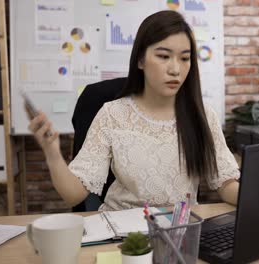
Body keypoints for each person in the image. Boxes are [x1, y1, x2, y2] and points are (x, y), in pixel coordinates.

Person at [28, 10, 240, 211]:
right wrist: (52, 152)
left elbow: (226, 183)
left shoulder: (202, 115)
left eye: (184, 58)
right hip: (122, 236)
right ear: (140, 60)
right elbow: (73, 195)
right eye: (164, 56)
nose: (175, 69)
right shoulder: (112, 114)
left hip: (179, 232)